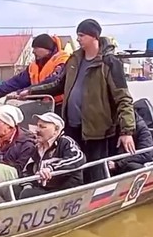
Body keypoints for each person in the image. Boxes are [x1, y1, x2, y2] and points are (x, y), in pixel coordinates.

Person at [19, 19, 136, 183]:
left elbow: (123, 98)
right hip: (73, 126)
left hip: (97, 129)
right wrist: (31, 91)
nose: (78, 39)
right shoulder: (74, 59)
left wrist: (127, 132)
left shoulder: (109, 63)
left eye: (81, 35)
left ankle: (101, 198)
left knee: (96, 170)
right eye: (78, 35)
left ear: (94, 36)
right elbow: (58, 84)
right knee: (74, 168)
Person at [0, 34, 69, 112]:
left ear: (46, 49)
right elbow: (15, 82)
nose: (33, 52)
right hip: (41, 106)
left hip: (60, 106)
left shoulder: (62, 61)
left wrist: (23, 92)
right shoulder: (33, 67)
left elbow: (53, 81)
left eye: (35, 48)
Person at [16, 112, 86, 199]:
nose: (37, 130)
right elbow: (27, 170)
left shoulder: (66, 142)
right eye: (37, 126)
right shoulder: (37, 147)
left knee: (27, 194)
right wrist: (27, 185)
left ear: (56, 130)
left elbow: (78, 158)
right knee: (16, 189)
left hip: (67, 191)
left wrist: (51, 168)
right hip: (45, 190)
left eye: (42, 127)